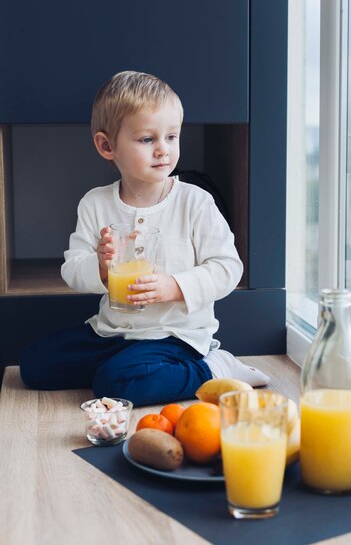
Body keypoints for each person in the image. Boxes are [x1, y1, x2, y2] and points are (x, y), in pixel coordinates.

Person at [19, 71, 269, 405]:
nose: (163, 150)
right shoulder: (95, 203)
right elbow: (71, 269)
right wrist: (101, 269)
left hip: (175, 337)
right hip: (110, 332)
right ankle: (126, 369)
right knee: (34, 365)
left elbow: (228, 267)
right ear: (107, 146)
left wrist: (175, 286)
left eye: (171, 137)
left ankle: (212, 368)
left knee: (117, 383)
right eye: (147, 140)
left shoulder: (194, 202)